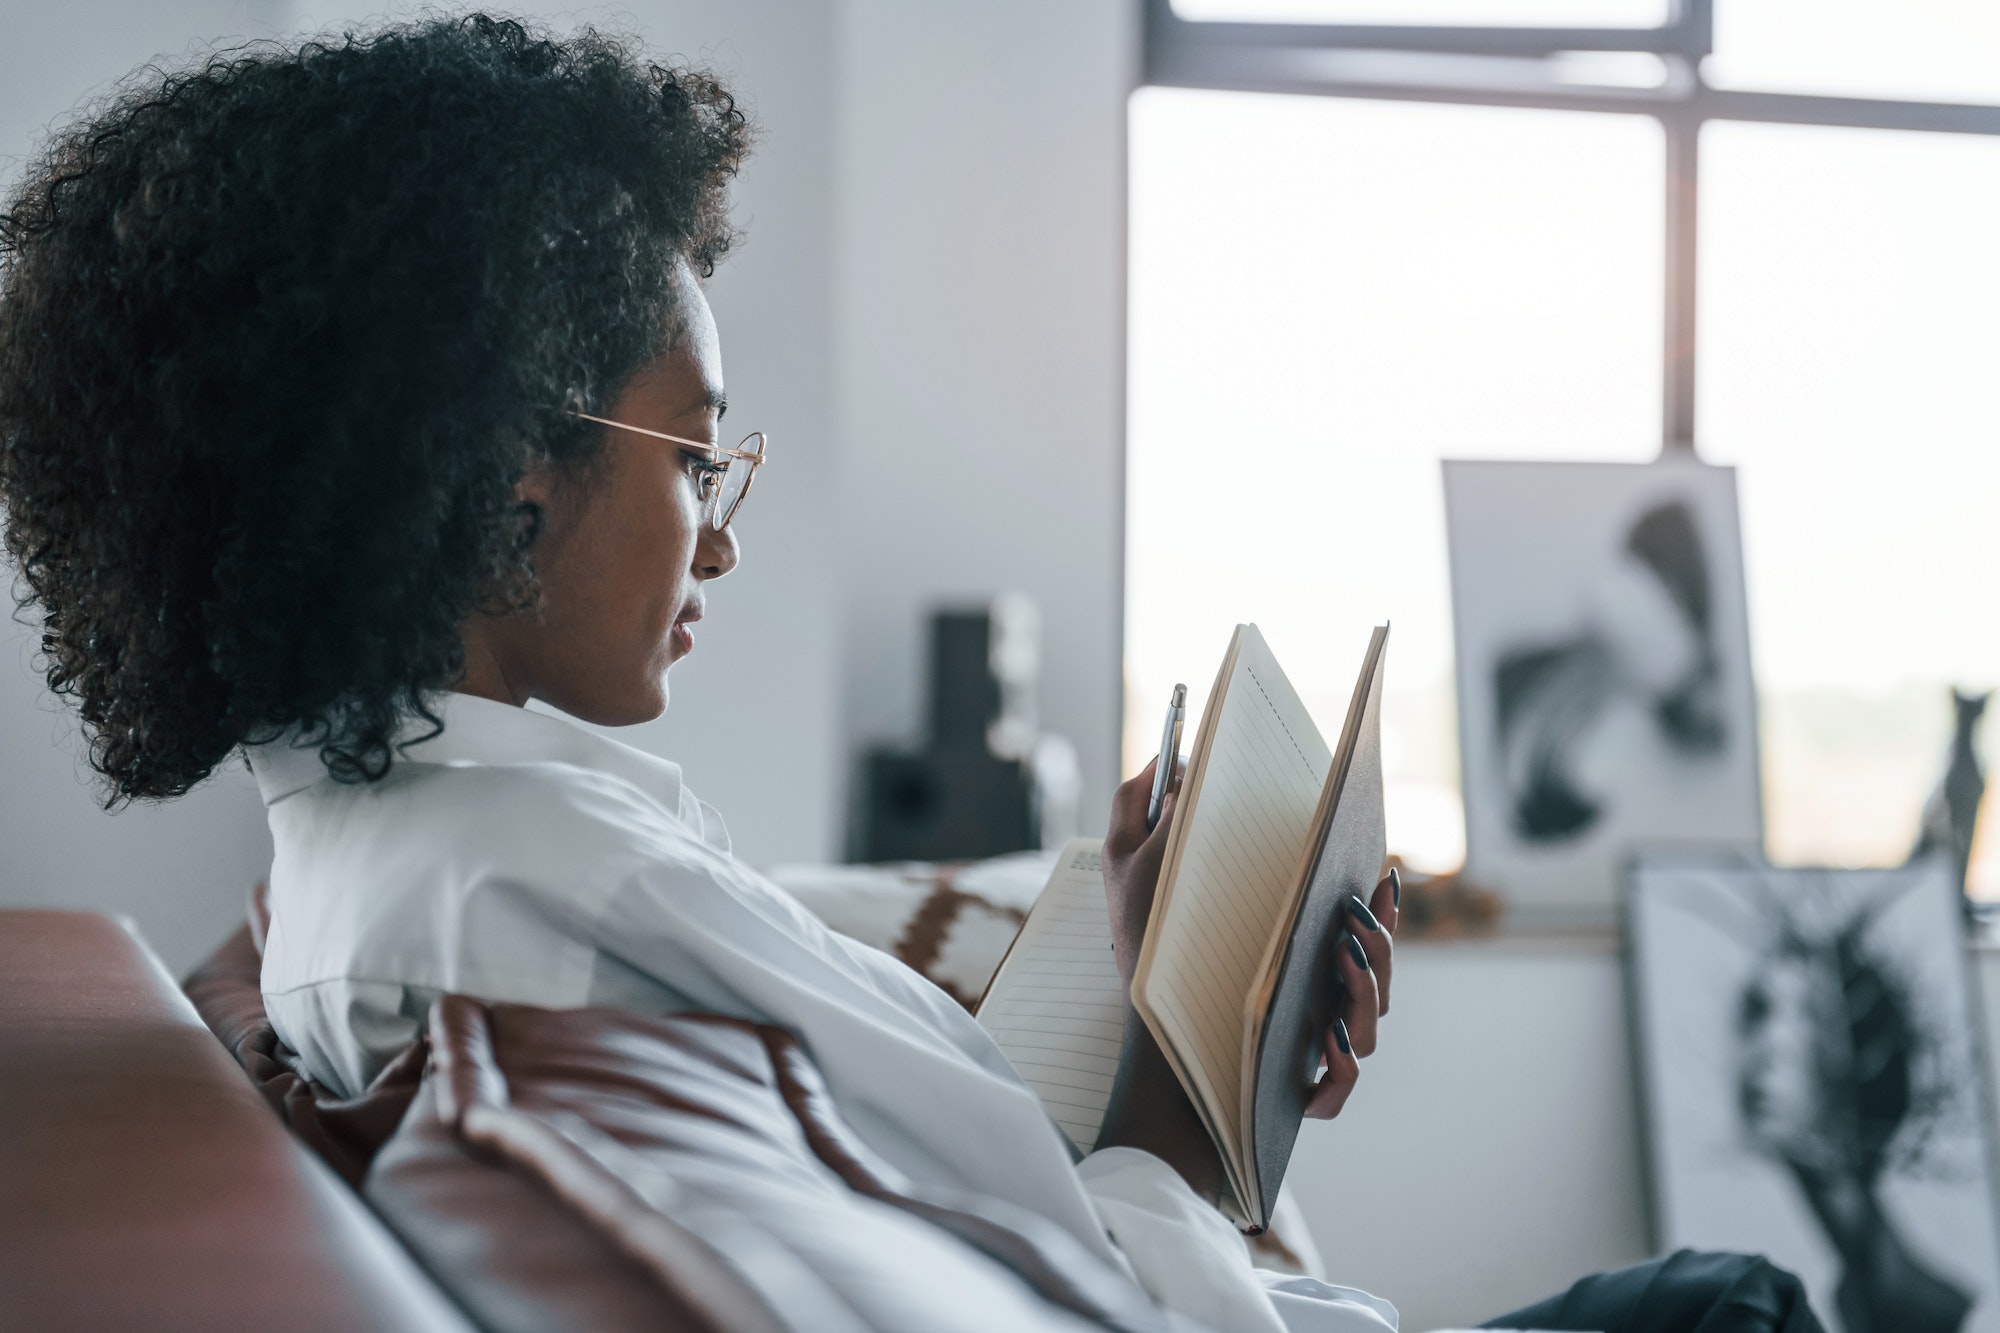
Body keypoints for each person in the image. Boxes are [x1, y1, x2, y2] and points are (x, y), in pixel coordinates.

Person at [0, 16, 1821, 1333]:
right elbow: (1079, 1279)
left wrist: (1139, 980)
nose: (720, 534)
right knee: (1731, 1300)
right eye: (699, 456)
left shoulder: (410, 844)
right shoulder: (537, 886)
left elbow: (920, 1151)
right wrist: (1195, 1131)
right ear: (506, 486)